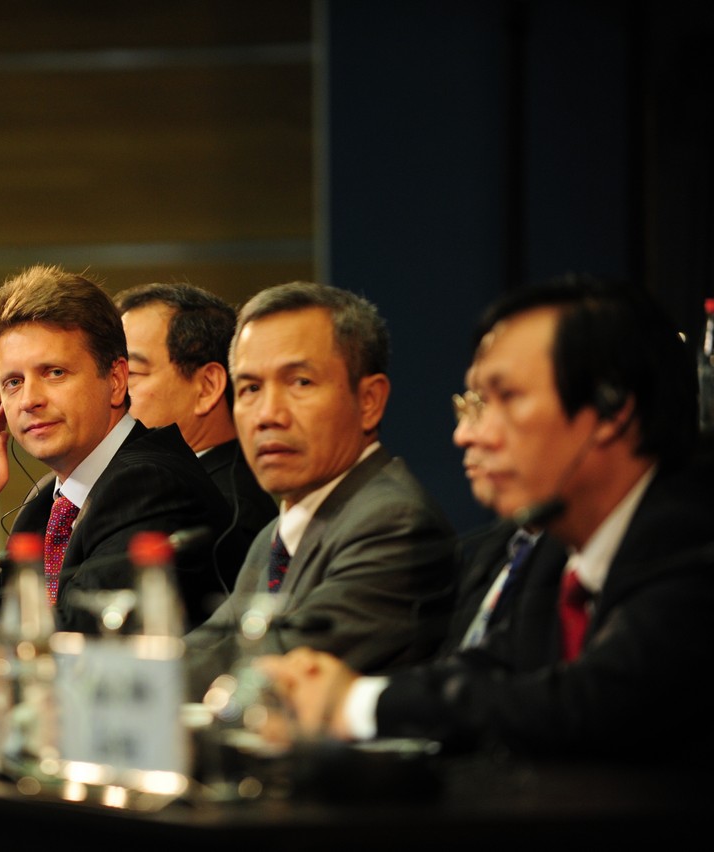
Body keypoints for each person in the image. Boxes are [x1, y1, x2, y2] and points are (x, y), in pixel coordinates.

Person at [260, 277, 714, 759]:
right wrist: (335, 689)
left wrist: (355, 703)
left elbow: (592, 703)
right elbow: (487, 669)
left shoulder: (695, 536)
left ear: (611, 408)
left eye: (506, 397)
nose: (467, 435)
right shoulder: (553, 549)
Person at [0, 264, 248, 633]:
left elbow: (79, 638)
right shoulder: (46, 502)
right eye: (13, 382)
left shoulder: (150, 484)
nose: (29, 400)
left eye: (54, 373)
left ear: (116, 380)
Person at [184, 281, 457, 699]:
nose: (268, 415)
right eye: (251, 388)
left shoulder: (394, 523)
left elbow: (273, 669)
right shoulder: (277, 534)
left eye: (300, 382)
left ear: (369, 401)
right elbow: (209, 646)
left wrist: (127, 688)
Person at [115, 282, 278, 557]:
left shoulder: (225, 513)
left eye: (131, 373)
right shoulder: (158, 486)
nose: (114, 390)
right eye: (110, 374)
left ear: (207, 387)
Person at [441, 367, 563, 656]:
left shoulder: (571, 557)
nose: (462, 434)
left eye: (503, 400)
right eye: (467, 407)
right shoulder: (498, 546)